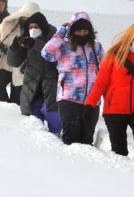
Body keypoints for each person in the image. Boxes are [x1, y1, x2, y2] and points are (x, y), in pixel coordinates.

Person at [84, 22, 134, 164]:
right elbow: (101, 82)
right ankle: (123, 176)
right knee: (119, 149)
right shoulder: (113, 56)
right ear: (129, 37)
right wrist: (90, 104)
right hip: (114, 109)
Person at [41, 12, 104, 145]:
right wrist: (60, 34)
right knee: (71, 137)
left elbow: (104, 70)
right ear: (72, 31)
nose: (82, 33)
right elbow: (46, 53)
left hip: (92, 100)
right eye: (78, 30)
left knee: (87, 139)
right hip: (68, 98)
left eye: (85, 30)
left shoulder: (96, 47)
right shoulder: (64, 46)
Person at [7, 12, 62, 135]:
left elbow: (53, 53)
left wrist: (34, 44)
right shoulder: (27, 40)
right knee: (34, 118)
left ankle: (57, 137)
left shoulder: (55, 38)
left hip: (50, 86)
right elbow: (13, 62)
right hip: (32, 87)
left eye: (36, 27)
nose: (33, 30)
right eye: (30, 27)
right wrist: (15, 47)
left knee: (52, 114)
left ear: (42, 26)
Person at [0, 1, 40, 103]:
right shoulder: (11, 23)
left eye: (30, 19)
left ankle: (11, 113)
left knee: (16, 98)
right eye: (24, 17)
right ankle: (4, 107)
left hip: (22, 67)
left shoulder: (37, 30)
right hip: (5, 63)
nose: (26, 21)